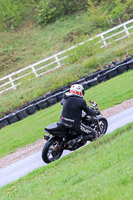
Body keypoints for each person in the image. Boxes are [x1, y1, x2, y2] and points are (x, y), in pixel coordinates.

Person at [60, 84, 100, 149]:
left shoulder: (65, 97)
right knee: (94, 134)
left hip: (62, 121)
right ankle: (74, 141)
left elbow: (62, 103)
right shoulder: (81, 101)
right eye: (82, 91)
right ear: (78, 92)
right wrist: (96, 112)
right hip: (74, 124)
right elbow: (89, 112)